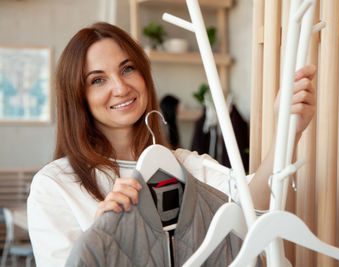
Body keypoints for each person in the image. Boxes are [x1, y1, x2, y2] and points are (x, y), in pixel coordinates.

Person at [27, 22, 316, 266]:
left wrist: (288, 131)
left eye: (127, 69)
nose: (120, 87)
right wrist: (102, 237)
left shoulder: (183, 166)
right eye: (98, 80)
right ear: (78, 97)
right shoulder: (54, 185)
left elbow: (254, 208)